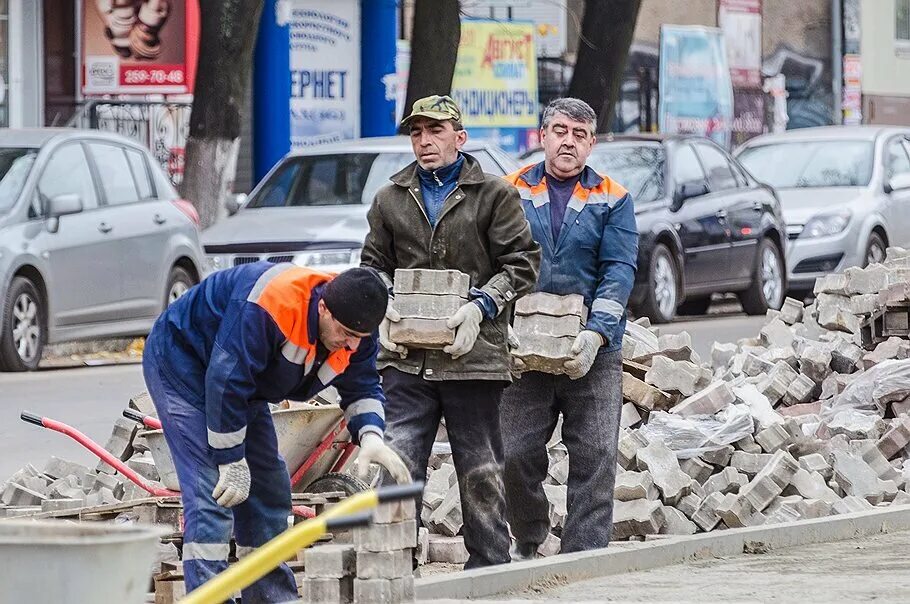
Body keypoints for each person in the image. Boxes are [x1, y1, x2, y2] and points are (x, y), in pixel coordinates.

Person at [142, 262, 410, 601]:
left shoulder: (357, 327)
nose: (351, 345)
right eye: (345, 333)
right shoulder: (271, 306)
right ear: (323, 308)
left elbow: (363, 387)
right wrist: (230, 458)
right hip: (183, 362)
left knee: (269, 488)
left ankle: (271, 597)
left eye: (360, 338)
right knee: (212, 493)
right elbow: (226, 380)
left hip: (243, 383)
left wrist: (371, 435)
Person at [361, 94, 541, 568]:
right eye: (417, 133)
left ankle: (488, 566)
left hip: (473, 356)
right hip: (407, 358)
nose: (425, 141)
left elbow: (522, 265)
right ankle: (392, 563)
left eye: (435, 131)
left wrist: (481, 307)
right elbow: (373, 265)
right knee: (398, 459)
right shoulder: (390, 198)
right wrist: (385, 306)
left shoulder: (493, 194)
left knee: (480, 467)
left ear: (459, 138)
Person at [502, 97, 639, 557]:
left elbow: (618, 270)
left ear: (592, 144)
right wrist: (500, 324)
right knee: (515, 454)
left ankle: (583, 557)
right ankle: (529, 534)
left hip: (592, 353)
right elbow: (492, 261)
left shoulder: (613, 199)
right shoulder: (508, 191)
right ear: (542, 136)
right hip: (525, 350)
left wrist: (597, 332)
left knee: (596, 455)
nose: (568, 141)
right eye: (560, 131)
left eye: (579, 135)